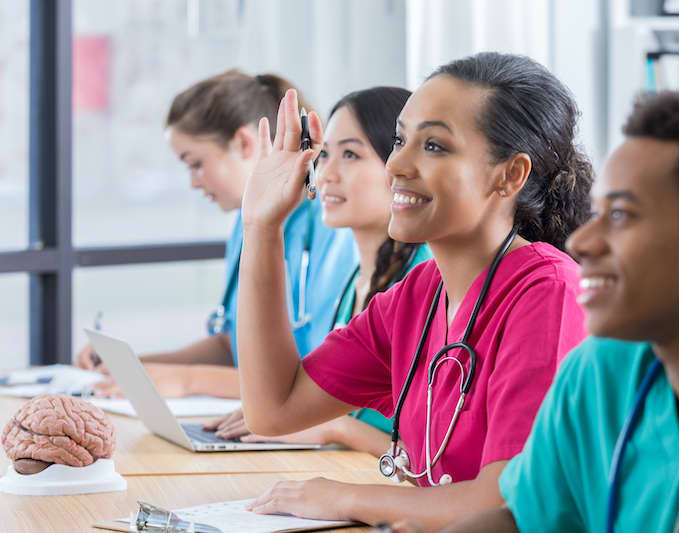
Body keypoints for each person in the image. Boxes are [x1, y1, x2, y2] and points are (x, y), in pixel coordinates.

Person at [235, 52, 592, 530]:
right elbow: (272, 409)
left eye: (435, 147)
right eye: (401, 140)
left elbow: (503, 506)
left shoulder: (549, 293)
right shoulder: (417, 296)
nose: (398, 164)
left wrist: (343, 498)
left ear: (510, 175)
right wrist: (261, 226)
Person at [402, 87, 679, 533]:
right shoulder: (600, 372)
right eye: (596, 212)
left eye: (622, 216)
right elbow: (524, 520)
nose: (582, 241)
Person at [74, 70, 357, 399]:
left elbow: (313, 376)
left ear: (243, 143)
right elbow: (234, 346)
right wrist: (132, 367)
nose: (193, 182)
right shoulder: (246, 223)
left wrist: (187, 380)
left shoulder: (330, 223)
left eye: (195, 164)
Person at [227, 87, 432, 453]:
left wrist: (338, 429)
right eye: (323, 156)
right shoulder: (357, 282)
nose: (326, 174)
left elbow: (438, 456)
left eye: (351, 154)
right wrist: (259, 223)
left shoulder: (427, 279)